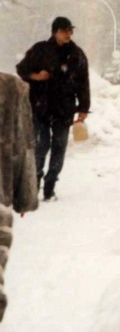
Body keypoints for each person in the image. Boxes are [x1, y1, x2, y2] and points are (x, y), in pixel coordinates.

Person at [16, 17, 90, 201]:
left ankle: (50, 186)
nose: (69, 34)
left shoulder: (76, 54)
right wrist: (36, 76)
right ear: (55, 31)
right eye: (65, 30)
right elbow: (21, 69)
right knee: (40, 147)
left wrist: (83, 108)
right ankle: (34, 185)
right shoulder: (40, 50)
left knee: (59, 147)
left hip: (64, 109)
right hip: (40, 107)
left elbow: (83, 82)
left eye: (70, 31)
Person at [0, 72, 40, 323]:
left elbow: (23, 146)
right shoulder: (10, 88)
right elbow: (23, 148)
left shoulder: (12, 88)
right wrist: (24, 196)